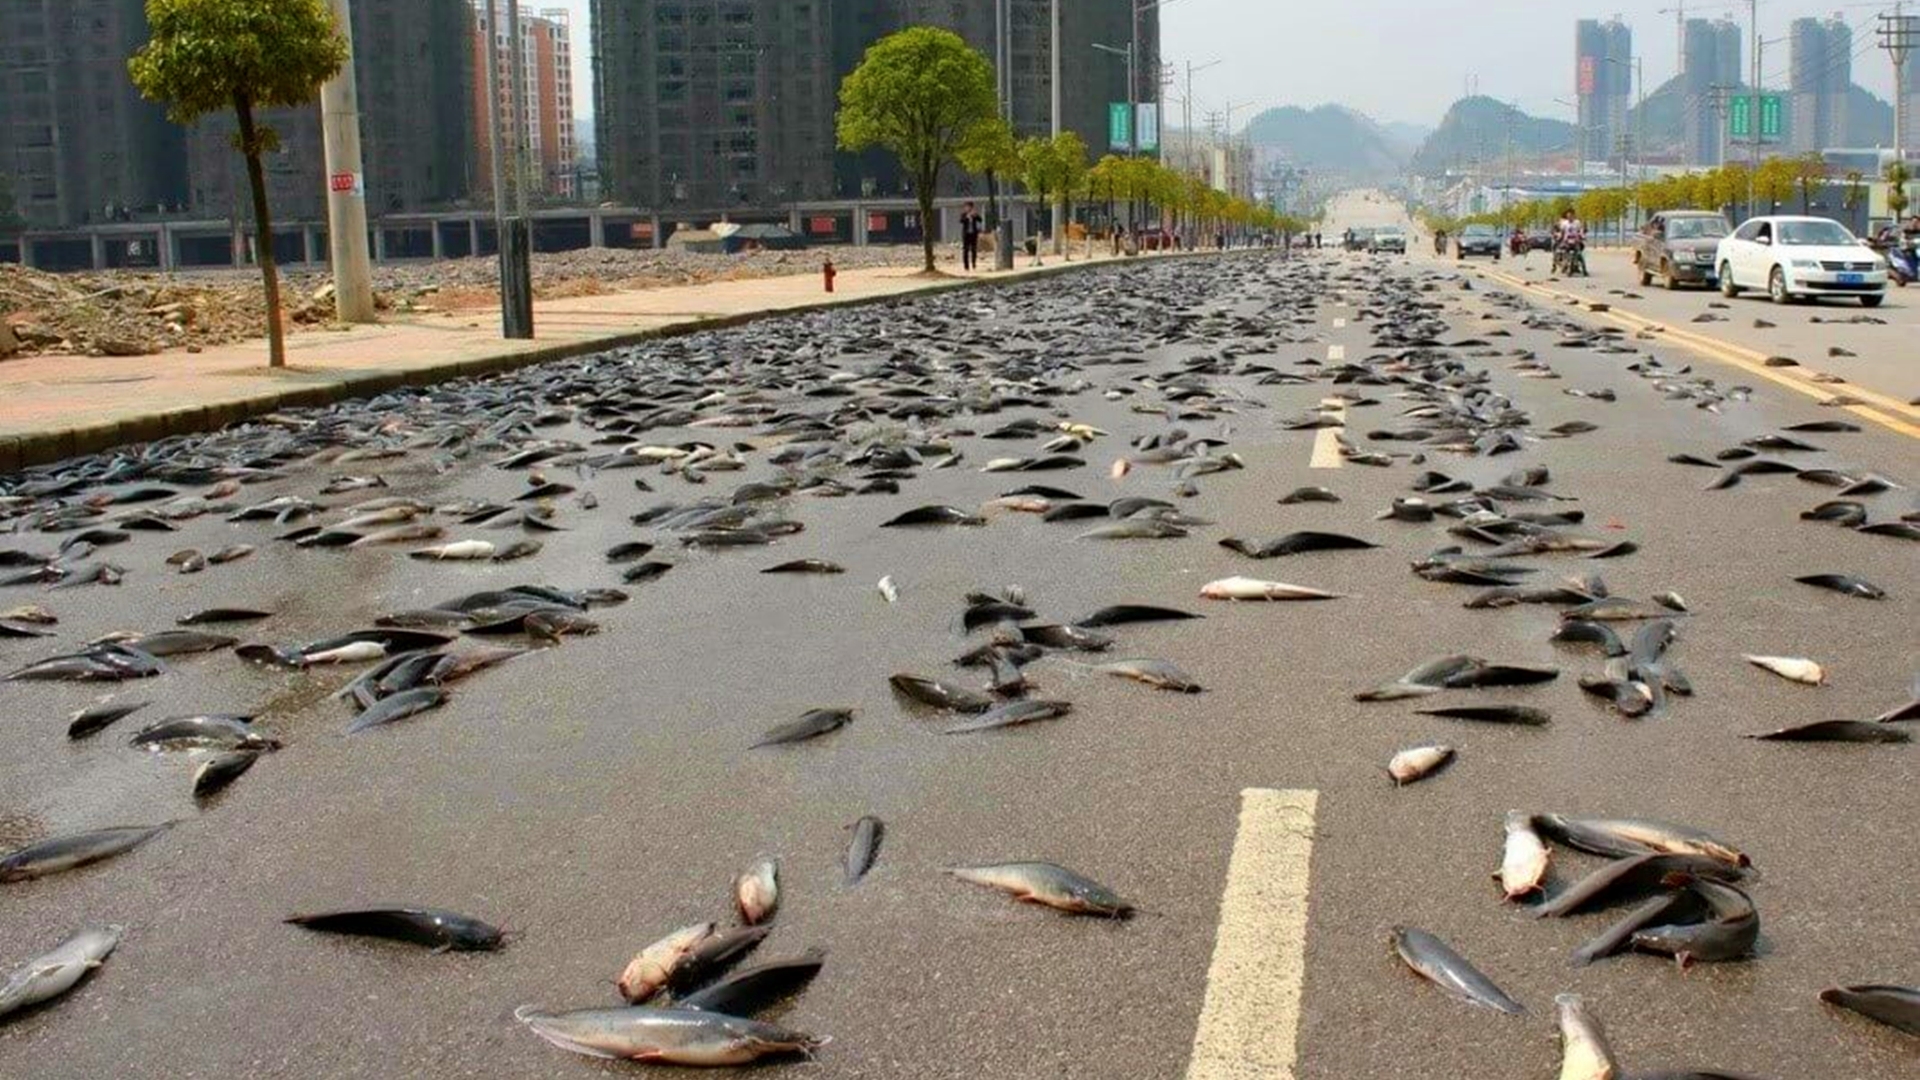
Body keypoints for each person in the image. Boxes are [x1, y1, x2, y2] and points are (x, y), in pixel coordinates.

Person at [959, 201, 983, 271]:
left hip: (973, 234)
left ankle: (974, 264)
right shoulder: (963, 214)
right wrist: (967, 217)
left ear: (972, 207)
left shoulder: (974, 214)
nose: (967, 208)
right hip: (966, 235)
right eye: (966, 207)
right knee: (965, 250)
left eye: (969, 207)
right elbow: (961, 221)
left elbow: (980, 220)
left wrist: (976, 215)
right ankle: (966, 266)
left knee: (974, 250)